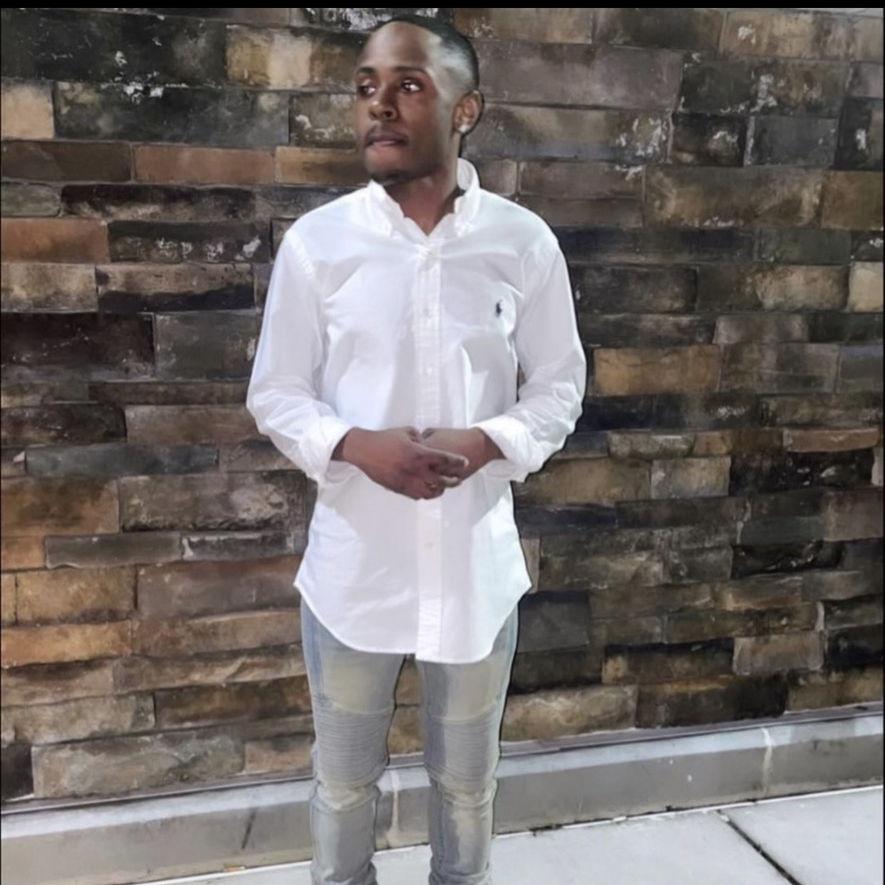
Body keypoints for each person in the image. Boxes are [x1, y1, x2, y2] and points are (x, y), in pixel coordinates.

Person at [246, 14, 587, 885]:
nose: (379, 105)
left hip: (473, 570)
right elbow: (275, 390)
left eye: (408, 85)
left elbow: (558, 383)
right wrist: (355, 444)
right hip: (354, 572)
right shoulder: (320, 244)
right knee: (342, 783)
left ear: (464, 109)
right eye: (365, 87)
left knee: (467, 786)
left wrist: (491, 440)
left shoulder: (521, 242)